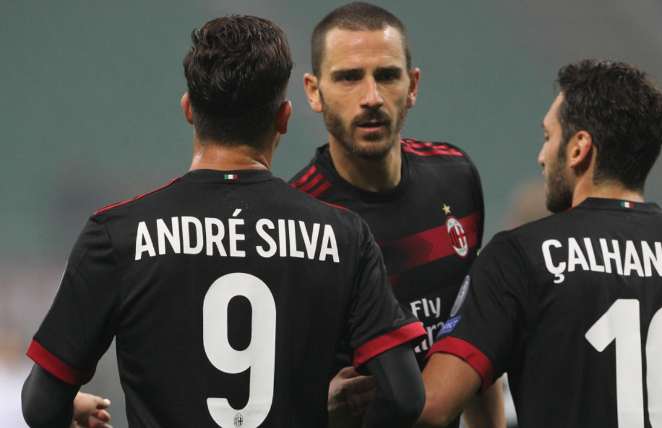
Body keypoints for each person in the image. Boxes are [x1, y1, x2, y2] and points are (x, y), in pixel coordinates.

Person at [21, 15, 426, 428]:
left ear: (188, 110)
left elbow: (40, 407)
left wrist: (65, 409)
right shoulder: (344, 237)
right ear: (284, 117)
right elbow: (404, 396)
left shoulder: (116, 235)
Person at [417, 59, 662, 427]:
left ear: (578, 148)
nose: (541, 157)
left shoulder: (519, 257)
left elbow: (433, 406)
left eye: (547, 137)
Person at [290, 2, 504, 427]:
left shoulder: (456, 177)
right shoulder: (296, 220)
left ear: (413, 85)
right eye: (349, 77)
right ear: (313, 91)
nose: (371, 97)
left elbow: (477, 349)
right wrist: (316, 406)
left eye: (387, 76)